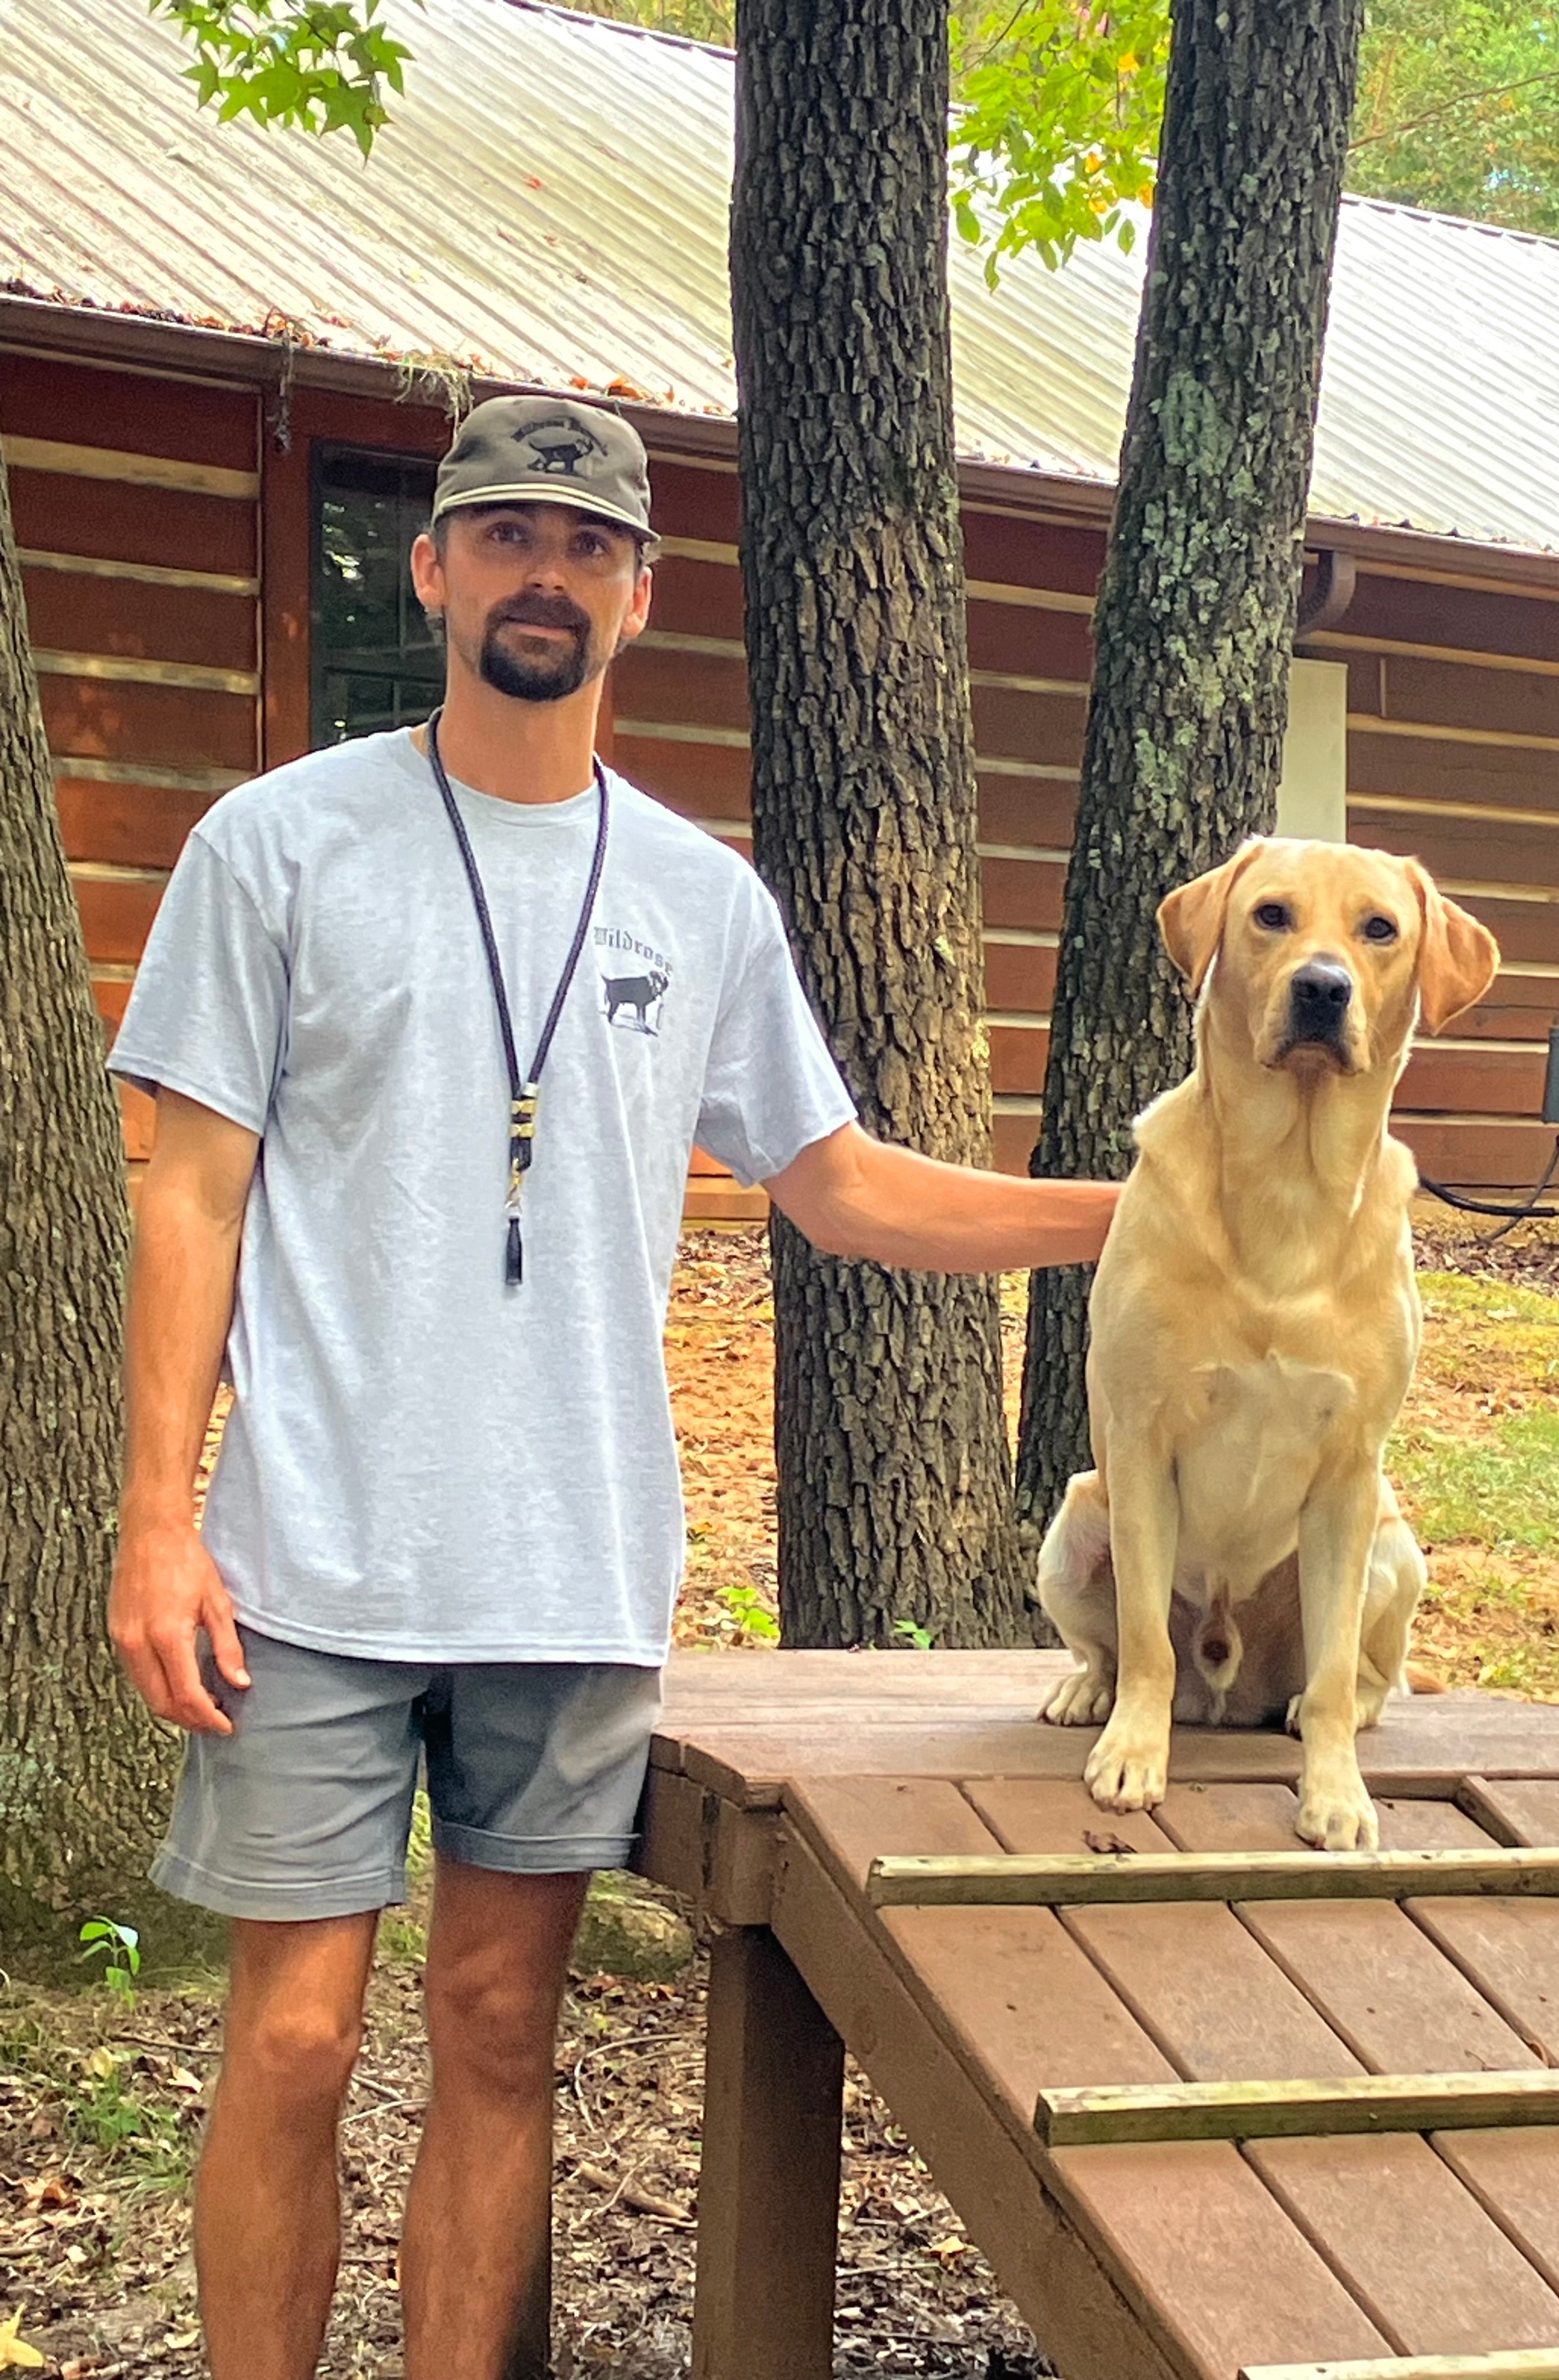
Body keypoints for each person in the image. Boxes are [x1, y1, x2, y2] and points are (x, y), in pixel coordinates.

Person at [106, 393, 1119, 2380]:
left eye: (583, 547)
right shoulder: (280, 844)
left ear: (639, 596)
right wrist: (157, 1522)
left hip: (567, 1574)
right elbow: (193, 1191)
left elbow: (839, 1189)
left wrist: (1134, 1217)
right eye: (504, 536)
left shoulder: (701, 898)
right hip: (302, 1559)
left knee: (499, 2038)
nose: (541, 573)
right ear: (435, 569)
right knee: (296, 2042)